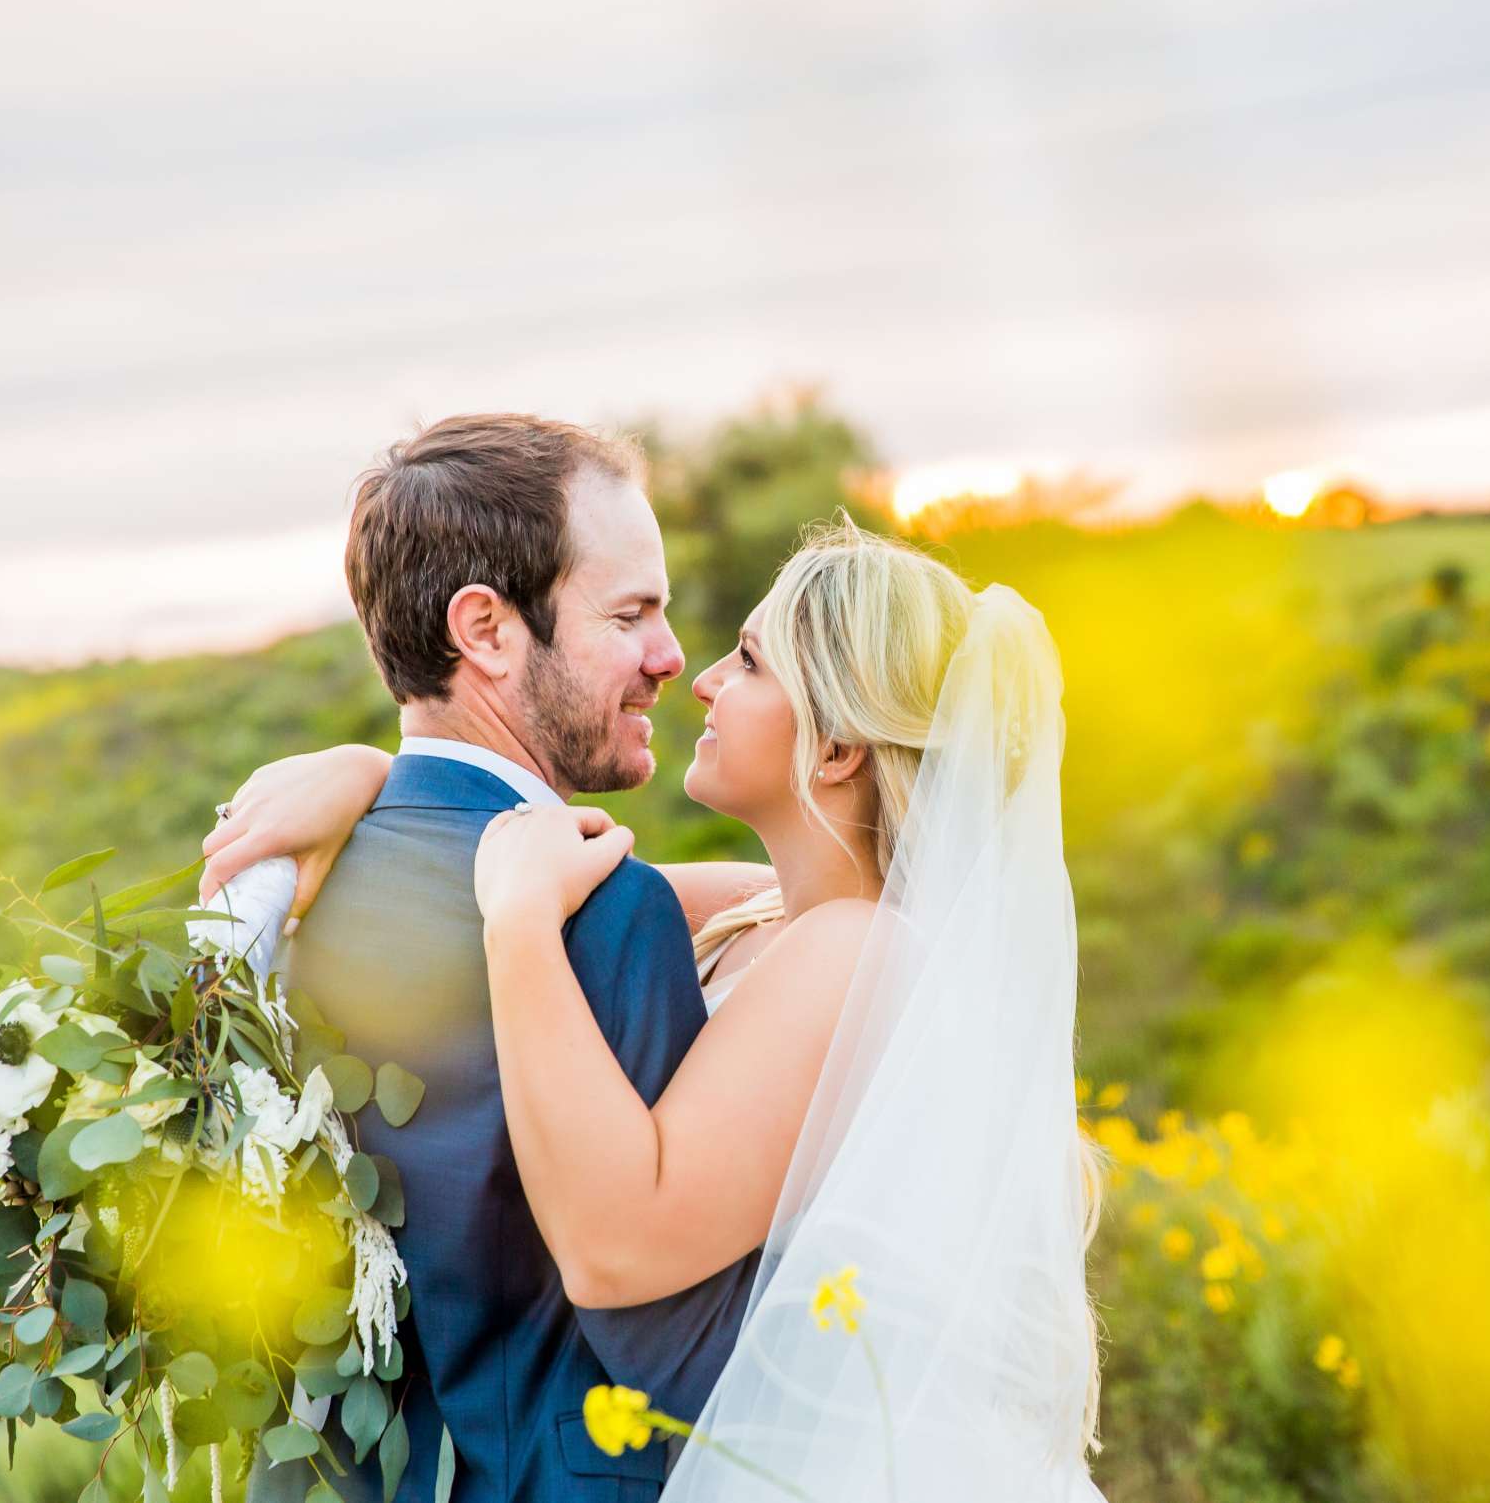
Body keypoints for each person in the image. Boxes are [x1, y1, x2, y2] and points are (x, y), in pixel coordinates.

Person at [210, 499, 1106, 1498]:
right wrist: (366, 773)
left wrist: (518, 932)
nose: (708, 678)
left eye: (754, 663)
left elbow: (613, 1253)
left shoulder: (864, 955)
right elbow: (516, 843)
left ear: (838, 751)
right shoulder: (759, 911)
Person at [226, 414, 756, 1503]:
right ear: (488, 630)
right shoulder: (607, 921)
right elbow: (673, 1326)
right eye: (630, 614)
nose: (670, 657)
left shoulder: (278, 894)